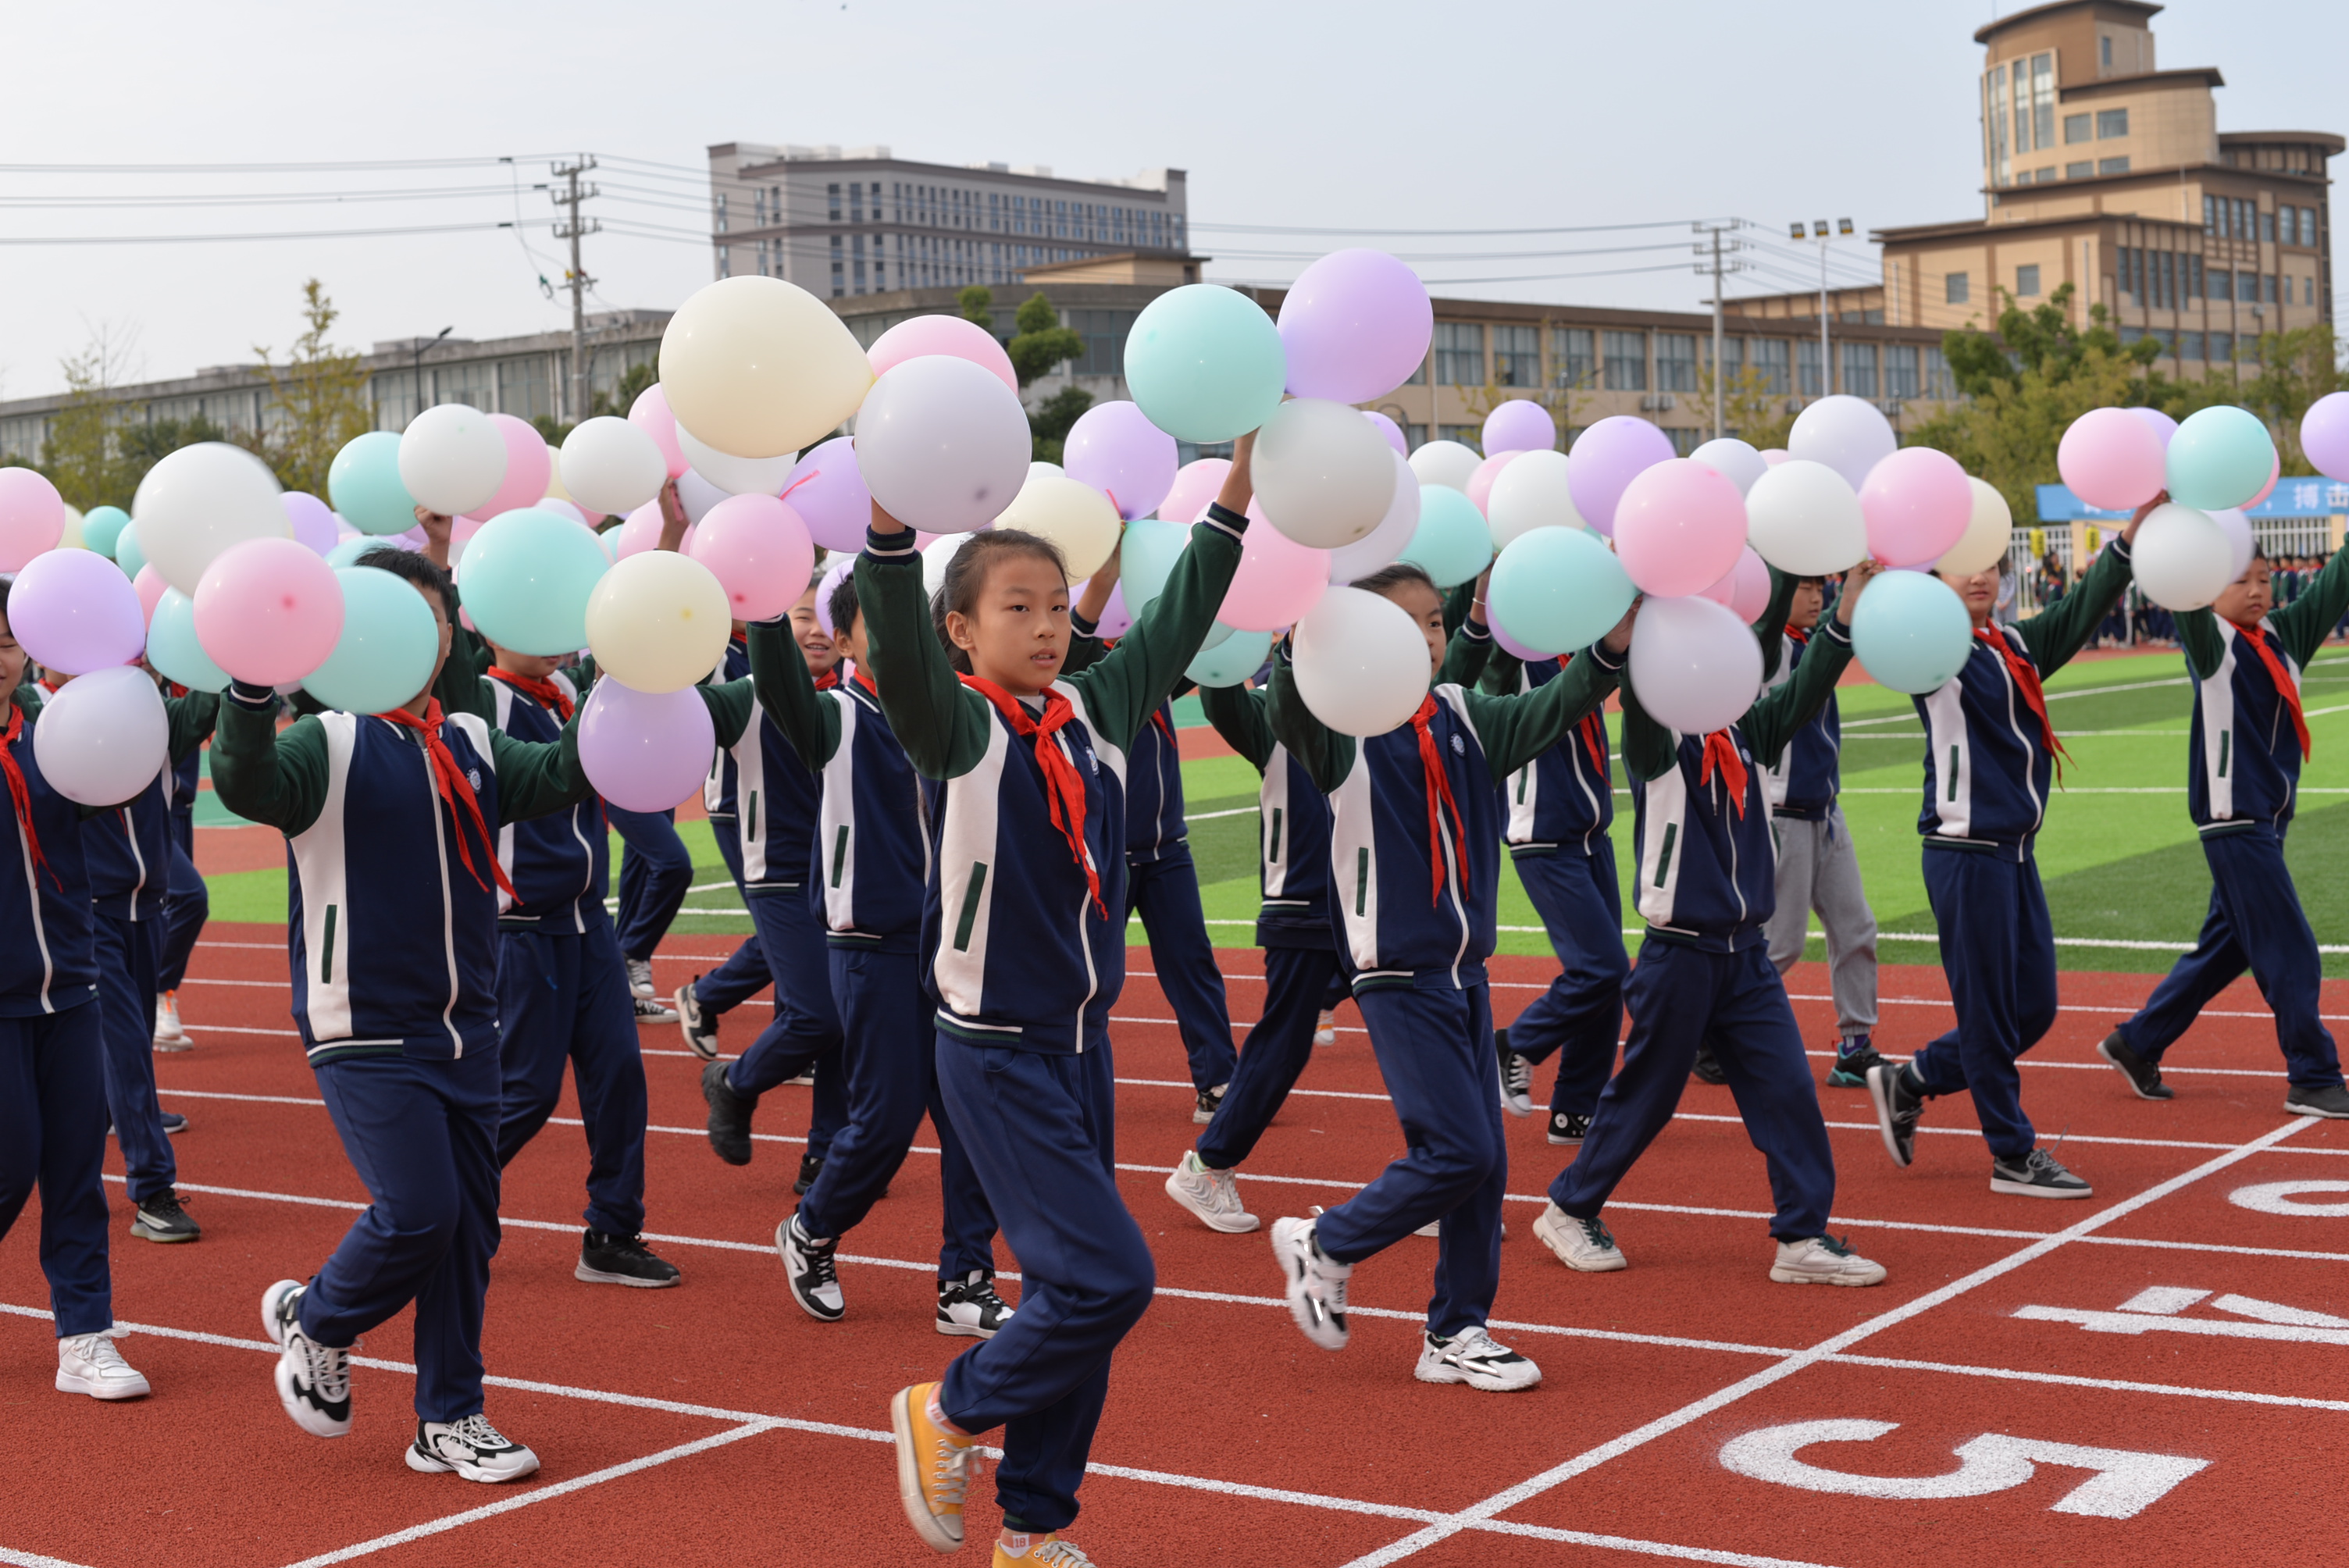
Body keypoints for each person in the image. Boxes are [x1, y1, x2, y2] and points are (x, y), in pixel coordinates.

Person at [876, 444, 1253, 1567]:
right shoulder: (957, 727)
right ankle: (947, 1409)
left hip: (1082, 1045)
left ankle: (1034, 1529)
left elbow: (1182, 614)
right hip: (993, 1051)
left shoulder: (1098, 707)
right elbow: (893, 647)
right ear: (963, 631)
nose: (1045, 626)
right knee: (1113, 1278)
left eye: (1056, 605)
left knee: (1069, 1290)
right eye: (1016, 607)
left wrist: (1237, 486)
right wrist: (891, 523)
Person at [213, 533, 621, 1482]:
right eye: (395, 618)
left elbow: (563, 774)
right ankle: (318, 1318)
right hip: (361, 1025)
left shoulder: (472, 740)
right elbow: (246, 782)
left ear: (449, 639)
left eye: (435, 621)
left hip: (465, 1025)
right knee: (418, 1211)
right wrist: (245, 686)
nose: (421, 637)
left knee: (471, 1229)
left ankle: (450, 1415)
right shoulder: (327, 739)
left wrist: (626, 682)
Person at [1263, 560, 1627, 1394]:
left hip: (1464, 972)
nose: (1424, 639)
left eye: (1433, 623)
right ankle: (1326, 1243)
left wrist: (1608, 645)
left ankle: (1454, 1329)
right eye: (1403, 624)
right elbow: (1285, 702)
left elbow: (1555, 704)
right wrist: (1294, 640)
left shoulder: (1463, 713)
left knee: (1486, 1163)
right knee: (1457, 1149)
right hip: (1395, 970)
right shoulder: (1338, 722)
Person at [1535, 565, 1890, 1288]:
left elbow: (1810, 678)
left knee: (1788, 1089)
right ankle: (1569, 1207)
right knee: (1647, 1095)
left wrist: (1845, 610)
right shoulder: (1656, 742)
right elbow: (1639, 690)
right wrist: (1635, 622)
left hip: (1746, 957)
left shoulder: (1749, 731)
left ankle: (1801, 1236)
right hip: (1680, 954)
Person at [750, 571, 1011, 1336]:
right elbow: (779, 682)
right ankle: (812, 1230)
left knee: (972, 1117)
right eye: (880, 624)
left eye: (912, 624)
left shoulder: (953, 711)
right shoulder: (833, 713)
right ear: (843, 638)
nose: (903, 639)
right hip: (871, 943)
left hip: (950, 943)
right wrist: (764, 600)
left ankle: (965, 1276)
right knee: (885, 1119)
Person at [1866, 505, 2148, 1199]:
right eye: (1962, 563)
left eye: (1989, 561)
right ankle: (2012, 1153)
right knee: (1991, 1016)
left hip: (2015, 853)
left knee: (2034, 1010)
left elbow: (2079, 611)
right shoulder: (1932, 653)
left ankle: (1914, 1078)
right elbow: (1889, 627)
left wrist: (2125, 545)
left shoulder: (2014, 646)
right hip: (1965, 852)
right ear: (1933, 579)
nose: (1980, 574)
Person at [468, 629, 721, 1288]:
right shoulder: (482, 700)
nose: (550, 637)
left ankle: (612, 1230)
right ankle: (448, 1205)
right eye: (532, 622)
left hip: (588, 924)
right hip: (526, 928)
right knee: (526, 1091)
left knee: (619, 1081)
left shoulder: (569, 692)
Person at [2098, 546, 2349, 1117]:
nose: (2258, 590)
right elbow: (2185, 592)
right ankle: (2313, 1074)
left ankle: (2137, 1042)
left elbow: (2337, 582)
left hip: (2268, 819)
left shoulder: (2283, 636)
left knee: (2226, 946)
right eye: (2240, 581)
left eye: (2264, 579)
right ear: (2209, 592)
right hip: (2234, 819)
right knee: (2292, 948)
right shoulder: (2212, 643)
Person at [0, 588, 150, 1400]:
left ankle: (85, 1336)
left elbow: (111, 790)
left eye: (7, 643)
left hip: (72, 986)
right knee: (10, 1163)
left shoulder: (55, 735)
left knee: (76, 1171)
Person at [1162, 664, 1353, 1233]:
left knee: (1416, 1035)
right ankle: (1208, 1164)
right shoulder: (1275, 707)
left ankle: (1439, 1175)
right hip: (1303, 907)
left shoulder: (1379, 690)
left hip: (1374, 906)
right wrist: (1232, 644)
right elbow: (1223, 702)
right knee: (1283, 1046)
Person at [675, 585, 848, 1196]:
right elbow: (673, 712)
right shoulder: (747, 697)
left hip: (854, 881)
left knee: (848, 1026)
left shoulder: (860, 698)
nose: (819, 630)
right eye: (804, 616)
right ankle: (735, 1083)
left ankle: (826, 1157)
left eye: (830, 618)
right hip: (781, 876)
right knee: (817, 1017)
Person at [1066, 557, 1238, 1124]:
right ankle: (1069, 1078)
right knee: (1089, 975)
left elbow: (1195, 637)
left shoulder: (1155, 670)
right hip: (1105, 859)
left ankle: (1218, 1079)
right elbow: (1075, 642)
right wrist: (1105, 578)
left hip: (1168, 852)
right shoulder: (1089, 675)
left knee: (1193, 964)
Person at [80, 672, 216, 1245]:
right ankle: (152, 1188)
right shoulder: (48, 721)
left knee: (118, 1047)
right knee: (124, 1043)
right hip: (86, 913)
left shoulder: (159, 714)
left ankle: (119, 1114)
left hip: (147, 906)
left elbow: (211, 697)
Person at [1481, 637, 1628, 1146]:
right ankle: (1515, 1044)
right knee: (1601, 968)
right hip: (1542, 835)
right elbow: (1492, 667)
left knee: (1608, 984)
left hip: (1591, 835)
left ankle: (1575, 1111)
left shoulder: (1578, 650)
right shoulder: (1518, 652)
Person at [1756, 574, 1884, 1089]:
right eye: (1802, 587)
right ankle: (1711, 1028)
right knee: (1780, 946)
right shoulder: (1764, 650)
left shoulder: (1812, 641)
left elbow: (1838, 631)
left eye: (1818, 588)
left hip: (1826, 812)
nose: (1815, 598)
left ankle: (1855, 1045)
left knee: (1856, 929)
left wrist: (1854, 590)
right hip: (1783, 813)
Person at [151, 682, 209, 1051]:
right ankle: (155, 992)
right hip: (146, 810)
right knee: (190, 897)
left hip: (180, 810)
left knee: (164, 911)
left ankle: (159, 996)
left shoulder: (183, 677)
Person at [608, 804, 689, 1024]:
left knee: (641, 870)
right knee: (673, 865)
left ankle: (625, 999)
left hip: (662, 783)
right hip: (622, 780)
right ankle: (632, 951)